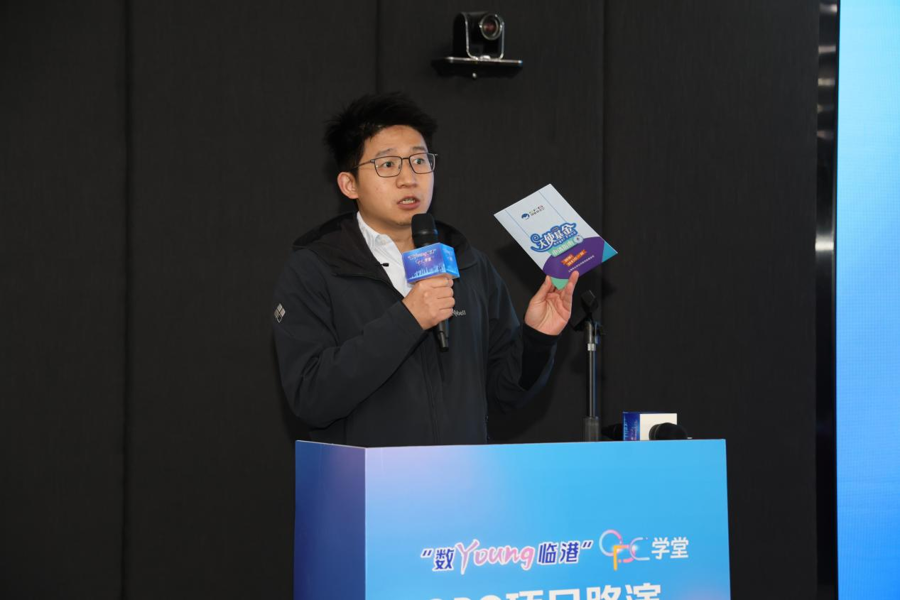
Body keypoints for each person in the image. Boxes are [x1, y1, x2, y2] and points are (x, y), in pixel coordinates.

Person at [272, 93, 578, 447]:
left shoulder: (469, 264)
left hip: (462, 475)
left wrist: (538, 338)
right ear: (349, 184)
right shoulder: (316, 268)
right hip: (368, 477)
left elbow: (503, 395)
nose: (409, 178)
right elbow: (311, 396)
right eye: (388, 164)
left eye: (419, 161)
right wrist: (409, 318)